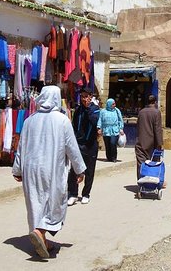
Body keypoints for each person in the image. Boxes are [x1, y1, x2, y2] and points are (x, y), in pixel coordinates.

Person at [12, 85, 86, 259]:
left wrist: (17, 168)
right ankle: (40, 230)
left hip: (30, 168)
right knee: (54, 201)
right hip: (51, 168)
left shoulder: (29, 120)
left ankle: (41, 239)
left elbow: (21, 147)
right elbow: (72, 148)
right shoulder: (62, 120)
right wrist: (80, 169)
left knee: (35, 202)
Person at [67, 88, 100, 206]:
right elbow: (74, 125)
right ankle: (73, 194)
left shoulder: (95, 110)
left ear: (91, 97)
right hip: (79, 144)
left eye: (86, 96)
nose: (84, 99)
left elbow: (95, 121)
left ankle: (86, 194)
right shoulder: (78, 110)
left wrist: (88, 109)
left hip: (90, 144)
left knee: (89, 171)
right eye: (82, 96)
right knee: (74, 170)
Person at [135, 95, 163, 180]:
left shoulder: (141, 112)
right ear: (155, 102)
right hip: (152, 143)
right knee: (153, 164)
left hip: (141, 142)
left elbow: (138, 126)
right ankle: (152, 182)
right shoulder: (156, 112)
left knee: (141, 164)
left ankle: (141, 183)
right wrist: (160, 144)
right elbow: (157, 129)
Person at [97, 98, 124, 163]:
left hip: (114, 130)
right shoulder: (103, 111)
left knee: (113, 143)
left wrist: (121, 128)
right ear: (109, 104)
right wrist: (99, 128)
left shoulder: (117, 111)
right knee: (107, 144)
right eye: (113, 104)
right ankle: (109, 157)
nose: (114, 105)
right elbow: (100, 119)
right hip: (106, 130)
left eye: (114, 103)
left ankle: (114, 157)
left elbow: (120, 120)